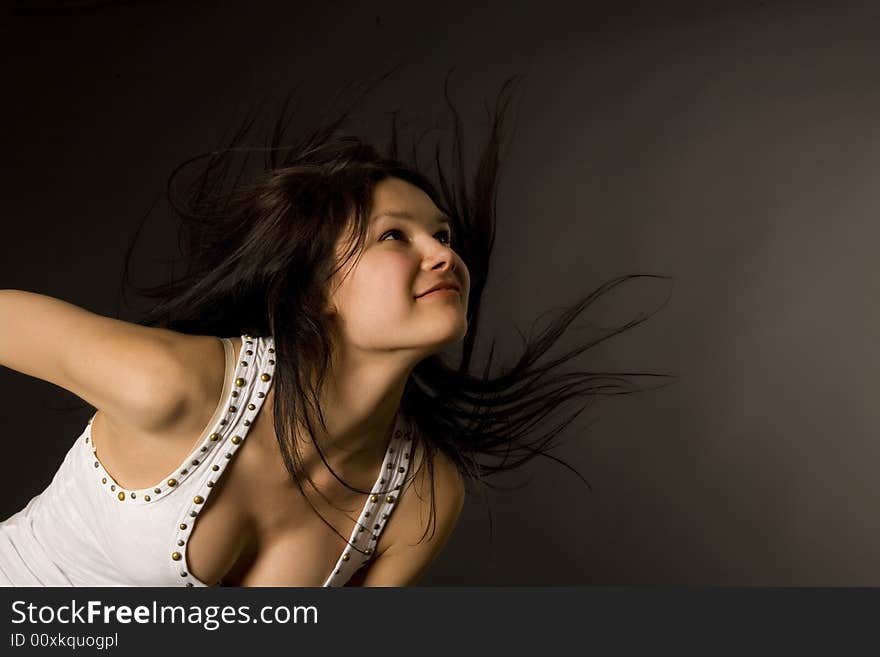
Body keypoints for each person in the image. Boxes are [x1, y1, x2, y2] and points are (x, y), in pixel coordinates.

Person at [0, 72, 673, 586]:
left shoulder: (421, 494)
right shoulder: (173, 384)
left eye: (442, 235)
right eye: (395, 237)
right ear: (318, 286)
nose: (443, 254)